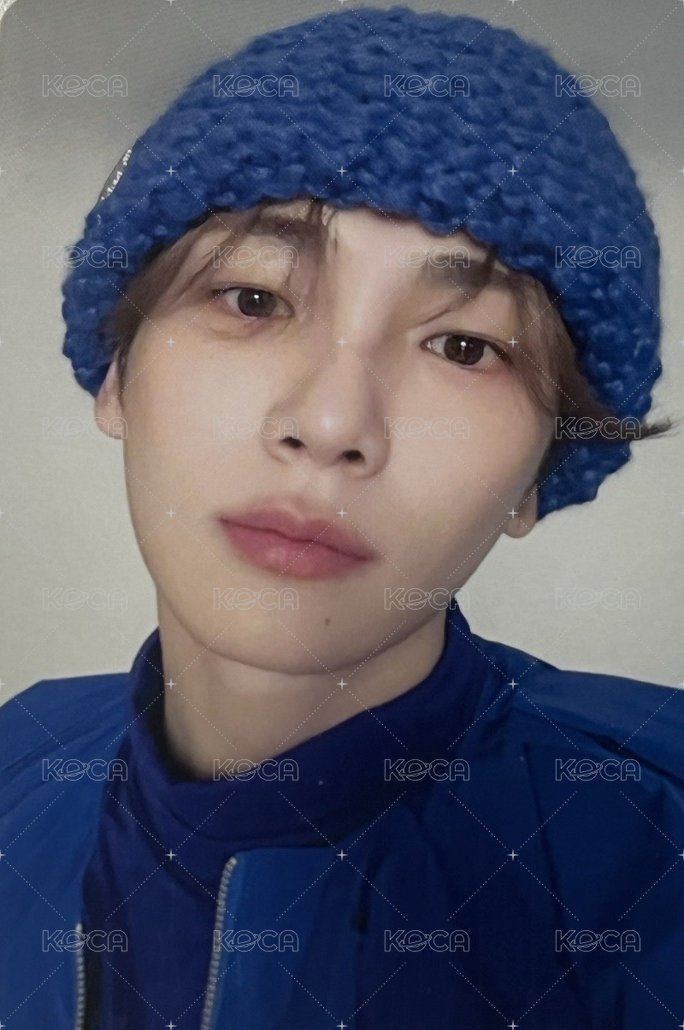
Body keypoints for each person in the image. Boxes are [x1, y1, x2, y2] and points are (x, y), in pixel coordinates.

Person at [1, 5, 682, 1028]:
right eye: (254, 300)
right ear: (117, 375)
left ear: (538, 474)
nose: (329, 424)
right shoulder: (21, 748)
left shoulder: (651, 844)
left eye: (464, 347)